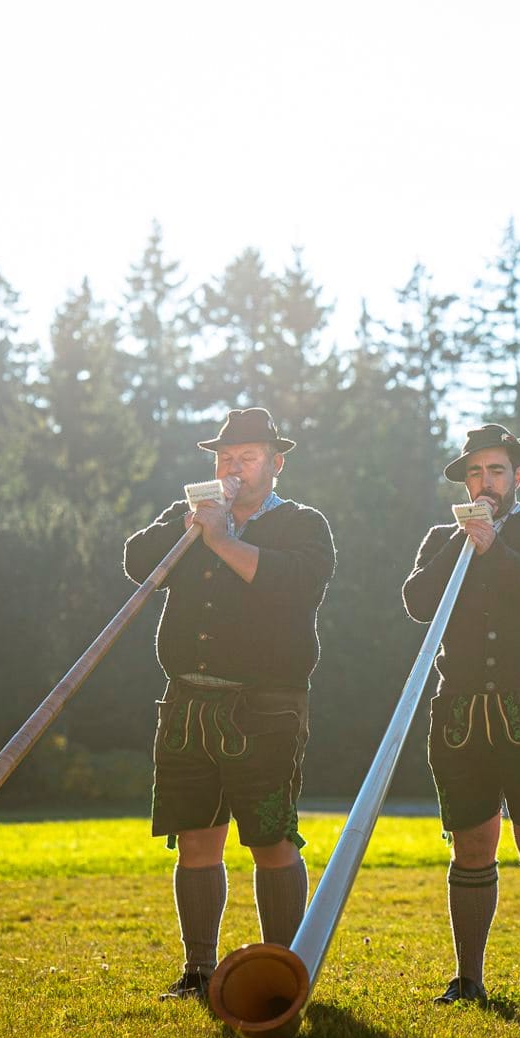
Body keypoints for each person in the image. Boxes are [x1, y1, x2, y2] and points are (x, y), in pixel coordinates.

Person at [123, 407, 335, 1000]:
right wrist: (191, 524)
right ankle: (198, 969)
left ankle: (284, 971)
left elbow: (294, 586)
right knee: (196, 838)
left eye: (245, 457)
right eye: (224, 458)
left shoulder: (302, 523)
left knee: (269, 838)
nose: (233, 468)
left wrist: (217, 539)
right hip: (188, 701)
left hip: (265, 705)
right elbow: (138, 563)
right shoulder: (190, 514)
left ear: (275, 462)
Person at [403, 424, 520, 1008]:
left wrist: (495, 550)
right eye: (477, 473)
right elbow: (416, 601)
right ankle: (469, 979)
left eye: (497, 472)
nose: (487, 482)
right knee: (471, 844)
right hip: (458, 711)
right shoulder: (442, 537)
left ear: (519, 477)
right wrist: (464, 544)